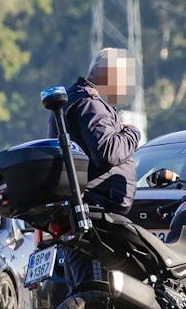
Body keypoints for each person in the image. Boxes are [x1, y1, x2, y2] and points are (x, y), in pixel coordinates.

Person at [50, 47, 142, 216]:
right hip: (97, 208)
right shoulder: (91, 104)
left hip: (89, 204)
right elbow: (108, 152)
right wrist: (132, 134)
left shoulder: (77, 98)